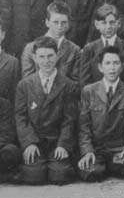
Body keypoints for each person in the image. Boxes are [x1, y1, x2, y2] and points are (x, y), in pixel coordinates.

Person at [14, 36, 78, 185]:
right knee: (33, 176)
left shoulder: (69, 85)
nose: (46, 61)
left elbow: (70, 119)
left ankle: (58, 161)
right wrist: (29, 143)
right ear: (35, 58)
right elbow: (21, 117)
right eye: (41, 57)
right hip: (35, 141)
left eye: (50, 56)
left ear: (57, 56)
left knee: (60, 175)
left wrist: (63, 144)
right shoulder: (25, 85)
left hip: (56, 141)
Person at [77, 46, 124, 182]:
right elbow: (83, 127)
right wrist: (87, 151)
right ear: (100, 67)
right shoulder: (89, 91)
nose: (112, 68)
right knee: (91, 173)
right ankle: (100, 165)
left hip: (119, 148)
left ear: (122, 66)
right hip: (96, 149)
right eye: (107, 63)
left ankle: (112, 165)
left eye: (116, 63)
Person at [79, 4, 124, 93]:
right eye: (104, 23)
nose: (108, 27)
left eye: (112, 22)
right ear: (97, 25)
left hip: (123, 100)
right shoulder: (89, 49)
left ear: (119, 23)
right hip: (96, 101)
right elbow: (85, 83)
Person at [20, 2, 80, 84]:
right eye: (55, 22)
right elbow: (27, 81)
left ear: (68, 24)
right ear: (47, 22)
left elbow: (74, 83)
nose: (59, 26)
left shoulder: (74, 50)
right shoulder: (31, 47)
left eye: (63, 22)